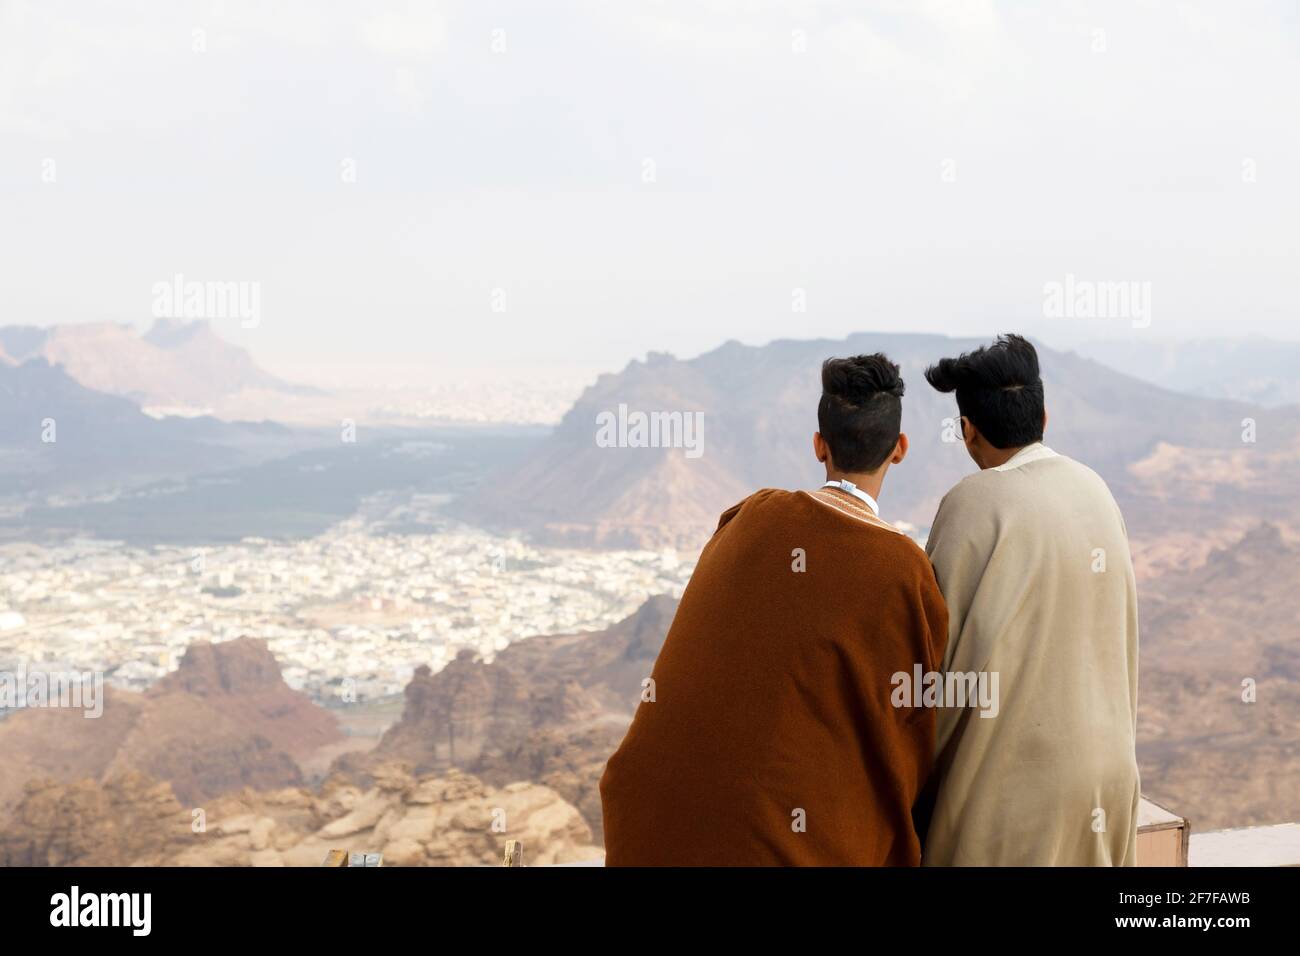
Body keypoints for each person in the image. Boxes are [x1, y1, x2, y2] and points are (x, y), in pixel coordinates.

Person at [600, 353, 947, 865]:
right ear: (899, 450)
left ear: (818, 445)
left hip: (640, 831)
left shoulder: (749, 516)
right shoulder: (903, 572)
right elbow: (910, 738)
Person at [921, 334, 1139, 866]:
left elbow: (936, 663)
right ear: (1044, 417)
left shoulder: (974, 502)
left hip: (1013, 790)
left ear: (967, 431)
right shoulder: (1094, 487)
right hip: (1108, 779)